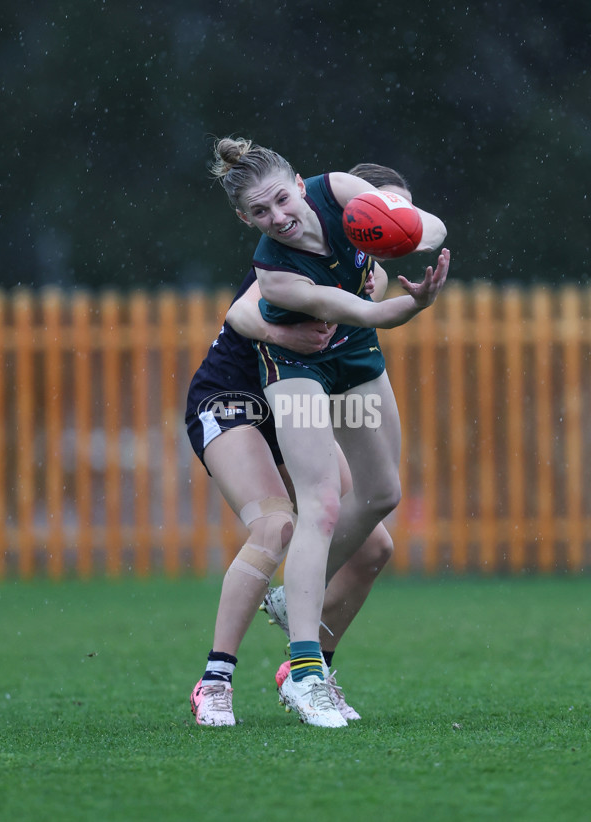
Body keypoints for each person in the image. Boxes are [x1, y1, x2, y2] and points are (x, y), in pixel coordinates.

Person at [209, 137, 449, 728]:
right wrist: (404, 305)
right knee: (317, 504)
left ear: (299, 182)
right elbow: (365, 312)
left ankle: (294, 596)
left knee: (382, 494)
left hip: (354, 356)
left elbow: (429, 233)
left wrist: (414, 238)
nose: (279, 218)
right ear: (245, 219)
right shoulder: (274, 270)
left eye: (282, 200)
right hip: (296, 367)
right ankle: (306, 672)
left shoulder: (341, 192)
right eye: (260, 213)